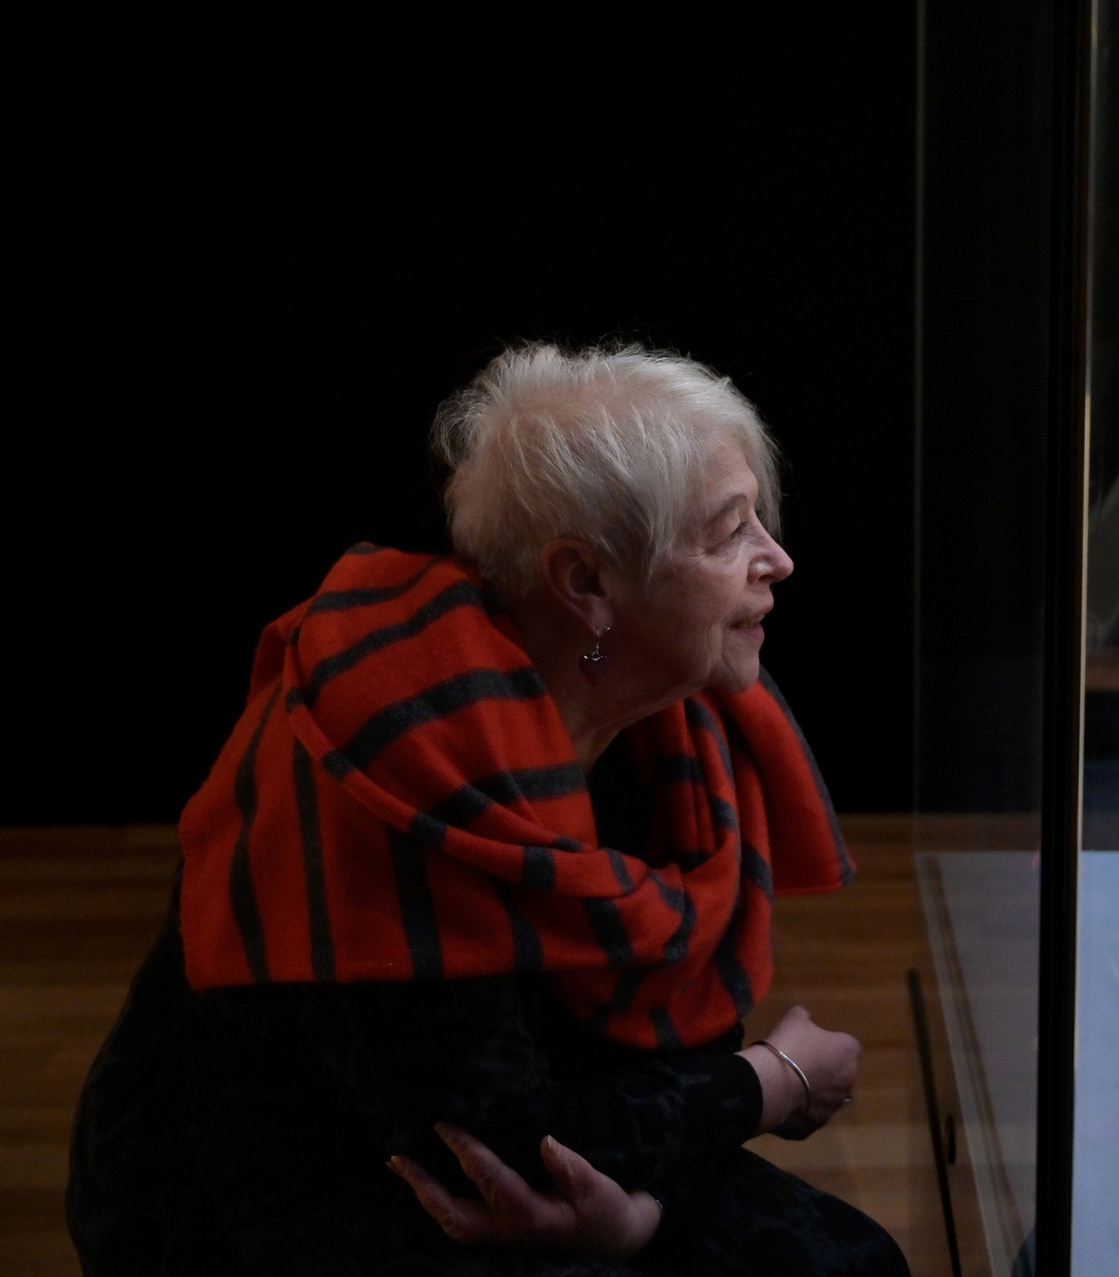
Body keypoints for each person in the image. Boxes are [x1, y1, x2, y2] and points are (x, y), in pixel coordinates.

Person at [67, 343, 909, 1276]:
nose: (777, 561)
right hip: (271, 1179)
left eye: (759, 519)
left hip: (527, 1123)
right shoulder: (396, 760)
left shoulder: (671, 717)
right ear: (585, 584)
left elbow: (637, 1062)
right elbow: (496, 1147)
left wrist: (638, 1212)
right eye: (726, 533)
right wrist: (774, 1081)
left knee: (853, 1263)